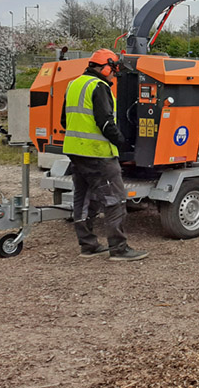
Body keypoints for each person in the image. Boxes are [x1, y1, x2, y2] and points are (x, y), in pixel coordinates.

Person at [61, 49, 148, 262]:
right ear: (104, 67)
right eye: (113, 69)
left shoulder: (74, 84)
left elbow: (64, 121)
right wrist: (123, 143)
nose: (114, 75)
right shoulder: (98, 87)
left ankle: (88, 245)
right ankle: (119, 249)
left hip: (75, 152)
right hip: (97, 154)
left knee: (83, 199)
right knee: (115, 199)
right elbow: (106, 122)